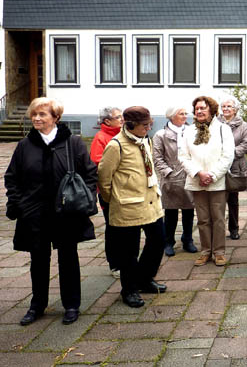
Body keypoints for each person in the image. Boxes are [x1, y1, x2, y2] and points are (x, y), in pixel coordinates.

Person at [5, 98, 97, 326]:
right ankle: (37, 305)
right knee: (38, 260)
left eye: (42, 114)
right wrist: (20, 204)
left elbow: (90, 174)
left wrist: (86, 200)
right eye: (34, 114)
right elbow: (12, 178)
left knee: (68, 259)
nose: (36, 118)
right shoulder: (25, 145)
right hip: (35, 214)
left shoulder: (73, 143)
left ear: (55, 117)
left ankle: (71, 305)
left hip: (66, 213)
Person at [97, 106, 167, 308]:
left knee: (158, 241)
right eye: (144, 125)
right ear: (130, 125)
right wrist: (114, 200)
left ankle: (144, 279)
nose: (148, 128)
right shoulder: (116, 145)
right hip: (128, 207)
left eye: (149, 124)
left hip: (151, 203)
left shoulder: (145, 140)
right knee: (129, 252)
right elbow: (104, 178)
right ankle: (129, 290)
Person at [180, 96, 234, 267]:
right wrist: (198, 173)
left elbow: (228, 155)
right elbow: (182, 156)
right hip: (197, 180)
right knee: (202, 219)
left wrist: (212, 174)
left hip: (216, 181)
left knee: (218, 218)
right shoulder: (188, 131)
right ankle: (205, 251)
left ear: (211, 109)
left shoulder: (222, 129)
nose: (199, 111)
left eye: (203, 108)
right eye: (197, 109)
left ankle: (218, 252)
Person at [153, 106, 197, 256]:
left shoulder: (192, 131)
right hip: (170, 179)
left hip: (189, 175)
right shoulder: (161, 135)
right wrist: (169, 173)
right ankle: (168, 242)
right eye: (181, 114)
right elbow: (157, 158)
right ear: (171, 116)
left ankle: (188, 240)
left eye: (186, 113)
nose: (185, 116)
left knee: (189, 210)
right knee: (170, 212)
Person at [90, 106, 123, 278]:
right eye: (118, 117)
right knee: (113, 227)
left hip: (126, 190)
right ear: (107, 121)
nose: (122, 119)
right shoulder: (101, 137)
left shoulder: (124, 135)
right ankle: (115, 264)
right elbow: (98, 162)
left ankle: (126, 260)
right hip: (109, 190)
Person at [218, 95, 247, 240]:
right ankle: (218, 229)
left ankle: (234, 229)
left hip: (235, 166)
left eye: (229, 106)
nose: (226, 109)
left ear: (235, 109)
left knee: (233, 200)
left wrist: (229, 154)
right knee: (217, 200)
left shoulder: (242, 125)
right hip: (218, 165)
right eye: (224, 106)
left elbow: (245, 144)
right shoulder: (215, 123)